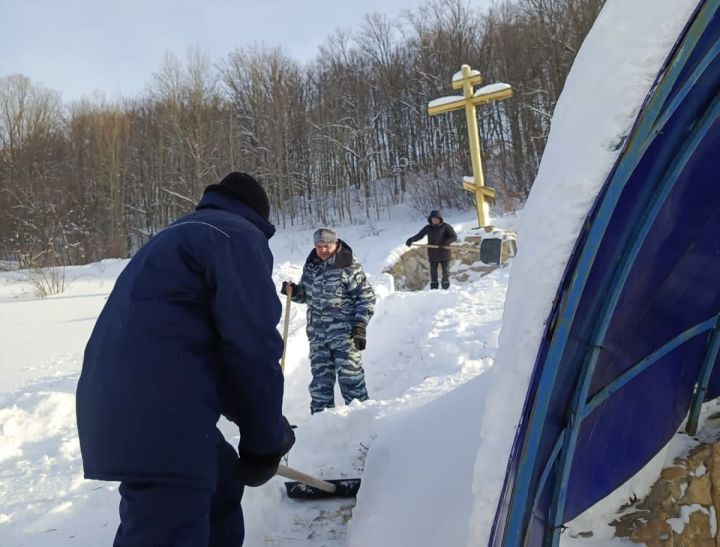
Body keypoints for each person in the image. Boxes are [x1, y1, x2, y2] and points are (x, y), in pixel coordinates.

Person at [76, 172, 295, 547]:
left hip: (118, 399)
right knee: (167, 524)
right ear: (259, 215)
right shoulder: (237, 237)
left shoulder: (174, 236)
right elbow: (251, 348)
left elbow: (197, 349)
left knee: (221, 483)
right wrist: (265, 441)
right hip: (161, 411)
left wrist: (261, 431)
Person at [281, 228, 375, 415]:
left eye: (327, 245)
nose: (323, 250)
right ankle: (321, 427)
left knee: (351, 382)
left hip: (345, 337)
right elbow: (308, 295)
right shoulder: (311, 266)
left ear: (335, 244)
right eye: (319, 246)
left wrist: (360, 326)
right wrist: (295, 291)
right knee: (320, 387)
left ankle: (363, 422)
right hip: (318, 338)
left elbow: (366, 297)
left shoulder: (348, 266)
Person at [405, 209, 458, 289]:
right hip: (433, 253)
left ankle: (445, 287)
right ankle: (434, 288)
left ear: (440, 219)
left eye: (436, 218)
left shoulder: (446, 227)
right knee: (433, 272)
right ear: (430, 219)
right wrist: (411, 240)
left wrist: (446, 242)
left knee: (445, 271)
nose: (435, 220)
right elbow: (419, 235)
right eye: (433, 219)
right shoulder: (428, 228)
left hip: (444, 252)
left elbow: (454, 237)